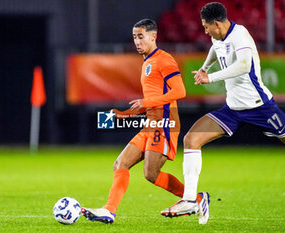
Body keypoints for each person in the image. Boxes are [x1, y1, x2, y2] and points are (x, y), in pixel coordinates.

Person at [161, 1, 285, 224]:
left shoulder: (241, 35)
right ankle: (191, 200)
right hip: (233, 110)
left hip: (260, 107)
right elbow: (214, 49)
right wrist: (205, 68)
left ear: (217, 23)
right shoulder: (217, 37)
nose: (205, 30)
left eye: (206, 27)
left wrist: (211, 77)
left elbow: (244, 66)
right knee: (191, 139)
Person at [81, 18, 207, 224]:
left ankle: (198, 199)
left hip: (165, 123)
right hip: (150, 123)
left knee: (151, 173)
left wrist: (147, 102)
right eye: (134, 37)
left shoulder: (164, 59)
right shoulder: (147, 61)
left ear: (153, 36)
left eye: (141, 36)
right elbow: (149, 100)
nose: (137, 41)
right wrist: (125, 114)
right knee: (121, 163)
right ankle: (109, 210)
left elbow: (180, 91)